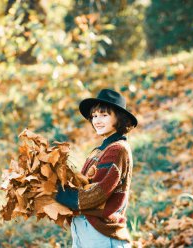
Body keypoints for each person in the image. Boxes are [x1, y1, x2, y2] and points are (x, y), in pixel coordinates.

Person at [55, 88, 138, 248]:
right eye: (94, 116)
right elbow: (84, 184)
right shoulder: (99, 150)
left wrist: (56, 193)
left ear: (119, 118)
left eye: (104, 115)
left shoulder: (117, 149)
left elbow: (96, 194)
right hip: (84, 228)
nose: (97, 120)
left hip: (100, 231)